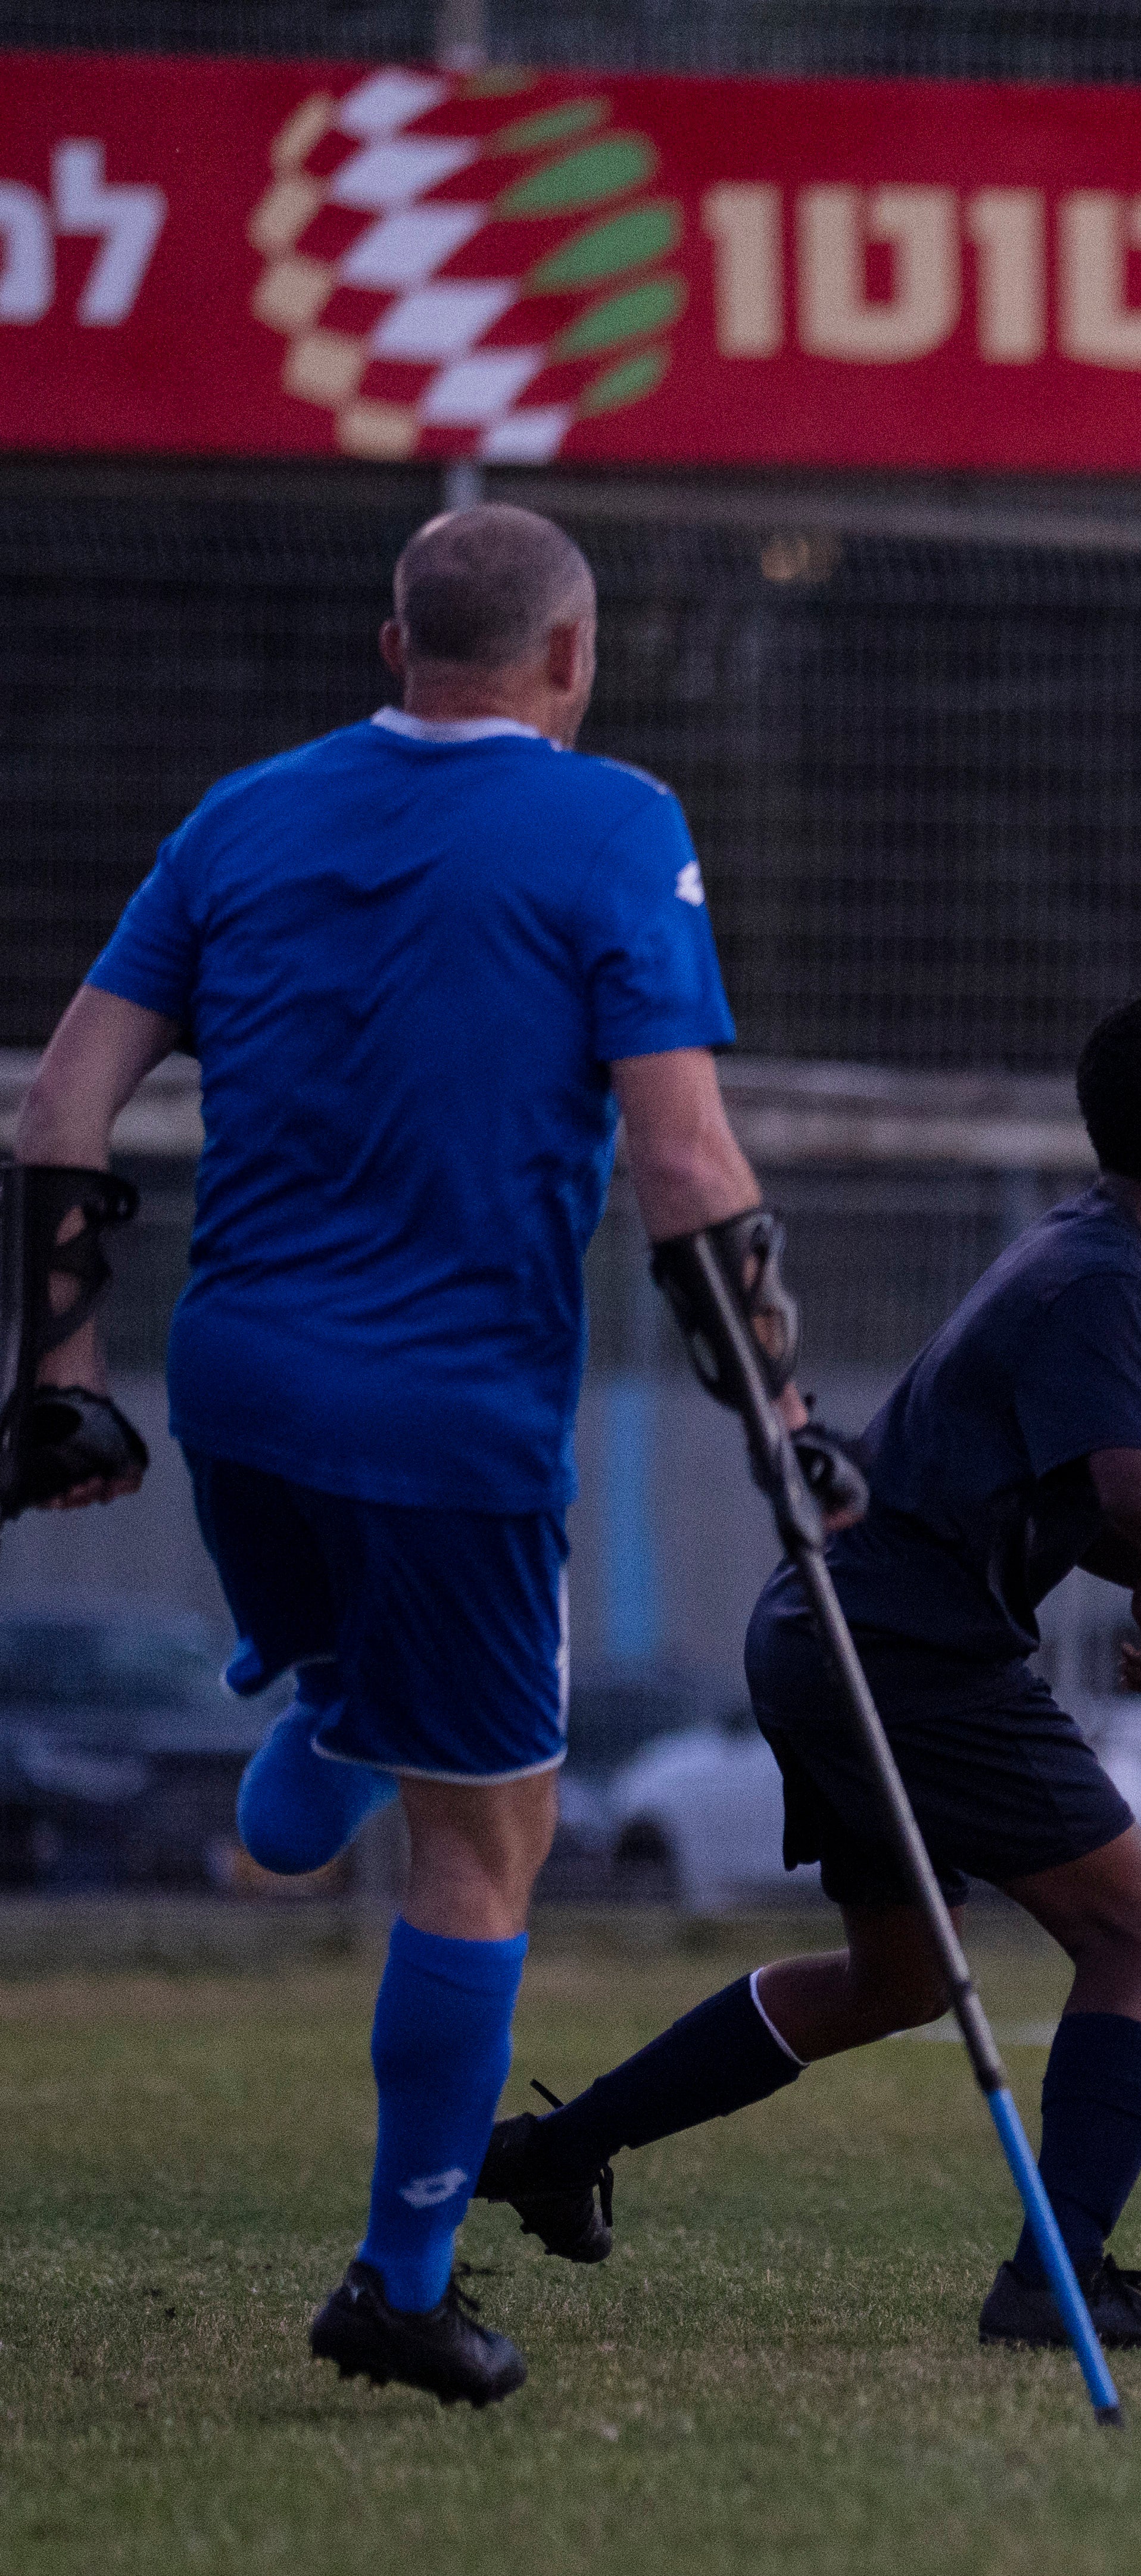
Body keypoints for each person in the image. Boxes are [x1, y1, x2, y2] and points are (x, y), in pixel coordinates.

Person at [10, 504, 809, 2407]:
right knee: (491, 1841)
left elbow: (60, 1098)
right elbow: (689, 1164)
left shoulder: (240, 815)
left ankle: (330, 1720)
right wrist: (782, 1411)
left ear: (393, 649)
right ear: (571, 659)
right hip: (453, 1432)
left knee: (372, 1727)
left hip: (238, 1399)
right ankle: (398, 2275)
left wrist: (59, 1366)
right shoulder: (617, 821)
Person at [473, 991, 1141, 2356]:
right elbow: (1131, 1477)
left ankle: (557, 2149)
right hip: (906, 1652)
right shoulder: (1109, 1278)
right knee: (1135, 1938)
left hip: (823, 1634)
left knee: (899, 1979)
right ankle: (1058, 2281)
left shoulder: (1077, 1249)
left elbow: (1069, 1473)